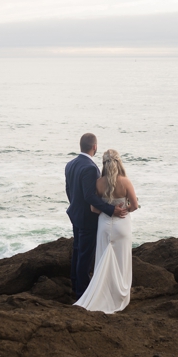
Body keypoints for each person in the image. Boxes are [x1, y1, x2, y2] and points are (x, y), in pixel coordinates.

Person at [73, 149, 140, 313]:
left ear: (104, 164)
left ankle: (102, 293)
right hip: (122, 225)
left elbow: (94, 208)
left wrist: (109, 210)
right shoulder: (125, 181)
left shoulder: (98, 183)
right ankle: (120, 294)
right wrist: (124, 209)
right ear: (119, 162)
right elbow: (134, 205)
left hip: (104, 225)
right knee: (121, 260)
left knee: (103, 260)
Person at [63, 133, 127, 298]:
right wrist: (111, 210)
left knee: (78, 249)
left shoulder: (70, 164)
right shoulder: (91, 168)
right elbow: (89, 196)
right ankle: (82, 291)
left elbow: (69, 189)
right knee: (85, 254)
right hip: (86, 218)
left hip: (75, 213)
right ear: (94, 147)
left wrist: (75, 205)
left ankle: (75, 284)